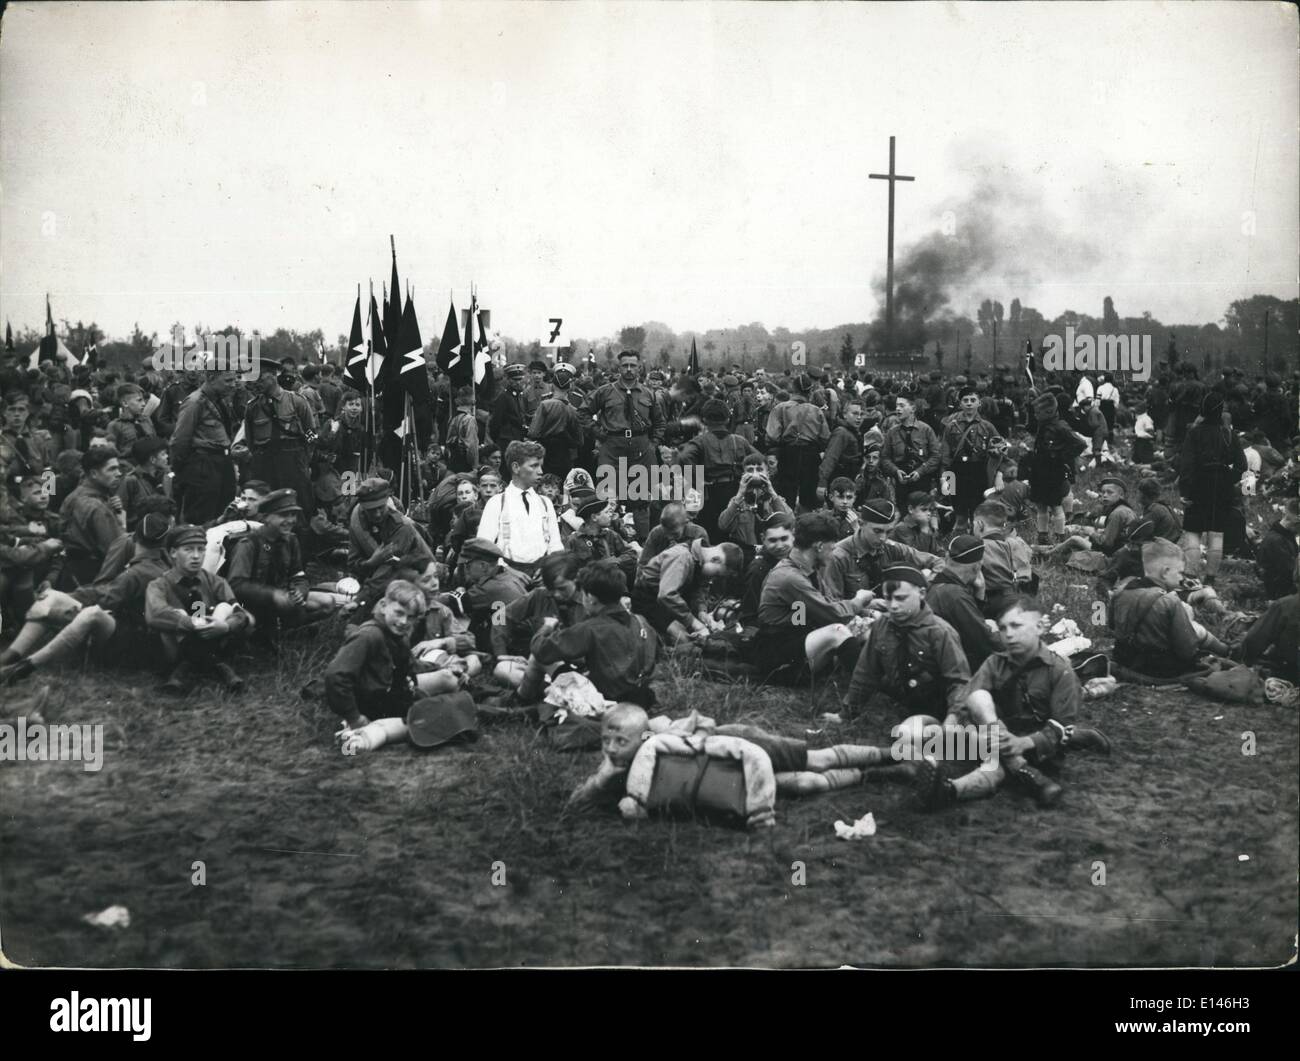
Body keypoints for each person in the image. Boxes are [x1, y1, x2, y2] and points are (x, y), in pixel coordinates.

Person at [914, 597, 1110, 811]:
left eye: (1016, 626)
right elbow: (966, 698)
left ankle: (948, 791)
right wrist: (948, 727)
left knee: (994, 765)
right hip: (999, 735)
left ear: (1040, 627)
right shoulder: (995, 662)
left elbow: (1062, 724)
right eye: (1003, 628)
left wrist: (1022, 744)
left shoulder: (1060, 670)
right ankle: (1026, 772)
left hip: (1037, 745)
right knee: (974, 703)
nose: (1008, 634)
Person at [567, 702, 911, 812]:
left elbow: (704, 721)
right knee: (805, 783)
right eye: (606, 740)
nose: (611, 747)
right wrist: (604, 776)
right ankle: (876, 777)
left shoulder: (658, 735)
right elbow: (577, 804)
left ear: (641, 736)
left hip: (735, 742)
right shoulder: (613, 767)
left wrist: (696, 739)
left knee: (818, 759)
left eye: (620, 741)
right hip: (725, 780)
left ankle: (895, 754)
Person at [754, 511, 875, 683]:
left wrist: (867, 612)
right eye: (832, 548)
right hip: (777, 653)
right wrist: (858, 601)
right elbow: (833, 614)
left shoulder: (809, 568)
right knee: (837, 632)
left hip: (798, 637)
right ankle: (865, 686)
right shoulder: (790, 577)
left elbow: (828, 603)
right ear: (818, 546)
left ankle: (886, 680)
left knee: (868, 628)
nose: (833, 554)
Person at [528, 560, 659, 704]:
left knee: (538, 660)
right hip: (642, 695)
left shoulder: (591, 628)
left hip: (605, 699)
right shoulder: (640, 621)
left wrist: (546, 627)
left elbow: (540, 650)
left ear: (591, 598)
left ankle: (521, 699)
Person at [145, 524, 252, 692]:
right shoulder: (159, 585)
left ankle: (184, 670)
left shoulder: (215, 581)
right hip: (176, 649)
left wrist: (224, 626)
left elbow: (239, 612)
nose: (196, 556)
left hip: (213, 636)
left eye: (201, 549)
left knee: (224, 607)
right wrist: (195, 623)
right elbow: (155, 616)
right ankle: (219, 666)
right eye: (188, 550)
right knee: (176, 614)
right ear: (173, 553)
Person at [1110, 539, 1229, 678]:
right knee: (1196, 631)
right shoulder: (1170, 600)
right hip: (1159, 668)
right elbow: (1187, 651)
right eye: (1180, 573)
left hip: (1124, 660)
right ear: (1165, 572)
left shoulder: (1120, 592)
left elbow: (1112, 626)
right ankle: (1226, 650)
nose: (1181, 579)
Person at [323, 580, 425, 730]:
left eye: (410, 617)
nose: (404, 621)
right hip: (365, 707)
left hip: (388, 700)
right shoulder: (369, 635)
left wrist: (442, 667)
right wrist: (354, 717)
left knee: (435, 707)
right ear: (383, 606)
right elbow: (336, 676)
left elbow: (410, 666)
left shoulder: (400, 638)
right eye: (399, 613)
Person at [586, 349, 663, 538]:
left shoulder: (648, 394)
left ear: (639, 368)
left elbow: (660, 422)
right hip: (613, 447)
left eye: (633, 366)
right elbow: (583, 413)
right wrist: (599, 433)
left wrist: (653, 443)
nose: (629, 369)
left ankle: (643, 544)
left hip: (641, 449)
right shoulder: (605, 392)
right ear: (619, 367)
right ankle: (608, 542)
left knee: (642, 500)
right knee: (608, 498)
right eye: (625, 365)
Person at [1179, 391, 1247, 584]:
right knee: (1216, 531)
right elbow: (1242, 466)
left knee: (1193, 530)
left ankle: (1191, 575)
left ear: (1203, 410)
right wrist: (1227, 476)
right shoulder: (1229, 434)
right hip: (1221, 488)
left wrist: (1185, 490)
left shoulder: (1194, 432)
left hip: (1198, 484)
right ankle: (1210, 577)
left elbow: (1187, 465)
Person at [474, 440, 563, 579]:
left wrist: (549, 569)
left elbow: (555, 544)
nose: (540, 472)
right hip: (506, 574)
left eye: (540, 466)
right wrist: (507, 571)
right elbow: (484, 548)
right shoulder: (497, 503)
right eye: (534, 466)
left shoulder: (545, 503)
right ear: (516, 467)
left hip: (542, 574)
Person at [821, 499, 939, 603]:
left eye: (888, 532)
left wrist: (925, 584)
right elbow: (833, 605)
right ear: (861, 524)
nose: (883, 538)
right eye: (877, 531)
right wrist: (865, 608)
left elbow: (938, 562)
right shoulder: (838, 556)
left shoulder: (890, 547)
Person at [243, 357, 318, 517]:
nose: (255, 382)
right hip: (265, 465)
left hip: (293, 463)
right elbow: (250, 442)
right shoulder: (252, 408)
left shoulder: (296, 401)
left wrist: (305, 460)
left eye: (259, 377)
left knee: (300, 506)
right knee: (267, 509)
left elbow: (311, 433)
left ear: (273, 375)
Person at [676, 399, 760, 540]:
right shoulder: (739, 440)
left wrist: (698, 479)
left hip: (708, 492)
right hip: (734, 490)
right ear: (727, 419)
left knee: (709, 532)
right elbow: (759, 459)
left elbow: (683, 457)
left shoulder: (699, 441)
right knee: (733, 531)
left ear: (704, 420)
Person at [632, 537, 744, 644]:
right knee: (683, 639)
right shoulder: (682, 557)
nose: (713, 580)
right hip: (647, 601)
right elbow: (666, 595)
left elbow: (697, 588)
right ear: (715, 559)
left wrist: (701, 611)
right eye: (716, 575)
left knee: (694, 635)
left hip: (663, 603)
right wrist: (693, 623)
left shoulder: (699, 561)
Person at [348, 477, 435, 601]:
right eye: (372, 510)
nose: (377, 514)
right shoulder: (357, 521)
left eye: (381, 508)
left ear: (387, 502)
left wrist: (359, 601)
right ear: (362, 507)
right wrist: (371, 563)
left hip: (417, 570)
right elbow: (352, 564)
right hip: (383, 573)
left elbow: (387, 571)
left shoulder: (401, 526)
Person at [170, 368, 238, 524]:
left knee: (224, 513)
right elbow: (180, 440)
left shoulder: (220, 400)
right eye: (228, 380)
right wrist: (182, 470)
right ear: (211, 378)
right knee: (202, 515)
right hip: (204, 465)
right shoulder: (194, 402)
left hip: (222, 462)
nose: (233, 385)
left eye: (234, 380)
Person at [925, 535, 1001, 671]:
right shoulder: (954, 594)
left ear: (947, 558)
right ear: (978, 566)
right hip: (946, 668)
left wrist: (980, 591)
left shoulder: (934, 582)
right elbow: (984, 642)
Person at [57, 445, 126, 589]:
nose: (119, 473)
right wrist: (122, 522)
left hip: (71, 572)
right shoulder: (96, 507)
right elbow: (117, 551)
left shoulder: (74, 496)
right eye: (112, 469)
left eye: (118, 468)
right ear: (94, 473)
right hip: (93, 577)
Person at [1024, 392, 1086, 546]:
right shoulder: (1043, 424)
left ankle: (1060, 537)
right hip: (1039, 470)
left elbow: (1080, 443)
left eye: (1038, 412)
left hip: (1053, 472)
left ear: (1049, 412)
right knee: (1040, 505)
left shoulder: (1061, 426)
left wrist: (1061, 456)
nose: (1036, 415)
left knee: (1055, 505)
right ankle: (1042, 536)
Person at [765, 374, 830, 512]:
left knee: (786, 495)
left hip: (788, 454)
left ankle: (787, 525)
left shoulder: (780, 408)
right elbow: (825, 437)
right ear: (810, 391)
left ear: (793, 389)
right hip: (810, 455)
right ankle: (806, 526)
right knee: (808, 496)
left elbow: (772, 436)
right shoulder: (816, 411)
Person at [940, 386, 1000, 531]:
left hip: (979, 472)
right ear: (960, 404)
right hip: (956, 471)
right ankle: (959, 546)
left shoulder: (988, 427)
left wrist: (998, 474)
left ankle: (977, 546)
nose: (969, 403)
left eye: (973, 400)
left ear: (979, 403)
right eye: (965, 400)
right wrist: (944, 480)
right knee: (960, 515)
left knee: (978, 515)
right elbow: (945, 456)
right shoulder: (951, 426)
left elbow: (1000, 452)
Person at [562, 486, 638, 587]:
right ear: (594, 517)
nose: (610, 515)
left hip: (613, 587)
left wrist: (615, 561)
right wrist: (594, 569)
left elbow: (631, 554)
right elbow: (568, 570)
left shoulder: (611, 535)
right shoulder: (573, 541)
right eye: (606, 512)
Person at [973, 500, 1035, 618]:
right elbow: (1026, 578)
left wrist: (977, 538)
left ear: (979, 524)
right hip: (1017, 601)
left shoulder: (979, 547)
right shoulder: (1015, 543)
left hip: (989, 605)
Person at [716, 454, 790, 549]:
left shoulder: (775, 499)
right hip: (746, 550)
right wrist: (740, 495)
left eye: (759, 470)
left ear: (767, 473)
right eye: (750, 470)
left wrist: (771, 492)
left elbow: (788, 522)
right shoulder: (738, 501)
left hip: (771, 549)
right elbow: (723, 526)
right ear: (743, 475)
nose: (755, 474)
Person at [528, 361, 584, 478]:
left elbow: (533, 433)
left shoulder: (544, 404)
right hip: (566, 454)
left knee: (546, 484)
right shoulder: (572, 410)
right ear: (570, 386)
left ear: (553, 385)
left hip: (546, 453)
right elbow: (579, 440)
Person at [879, 394, 941, 497]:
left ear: (913, 409)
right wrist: (896, 471)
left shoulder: (926, 430)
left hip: (922, 480)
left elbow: (936, 456)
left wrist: (920, 471)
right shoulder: (892, 432)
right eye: (897, 406)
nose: (898, 409)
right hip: (900, 482)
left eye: (902, 406)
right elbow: (885, 457)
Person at [117, 436, 171, 532]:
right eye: (163, 454)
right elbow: (121, 510)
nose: (167, 457)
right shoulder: (131, 480)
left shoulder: (165, 477)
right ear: (152, 459)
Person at [1255, 497, 1299, 601]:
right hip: (1279, 595)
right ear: (1296, 520)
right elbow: (1292, 573)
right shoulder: (1277, 541)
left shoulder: (1285, 536)